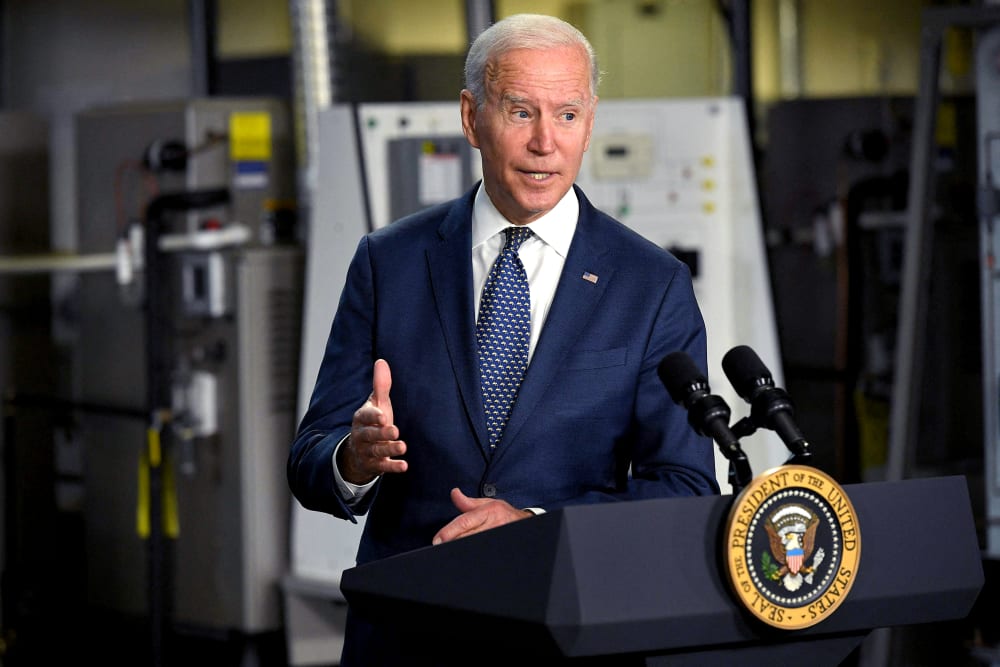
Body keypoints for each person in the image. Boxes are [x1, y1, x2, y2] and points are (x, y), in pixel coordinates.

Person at [288, 12, 719, 665]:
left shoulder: (651, 284)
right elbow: (309, 460)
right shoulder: (390, 262)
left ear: (591, 121)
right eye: (521, 112)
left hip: (568, 636)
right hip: (408, 640)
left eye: (568, 115)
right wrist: (353, 457)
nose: (546, 142)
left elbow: (686, 487)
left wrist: (536, 529)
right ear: (471, 117)